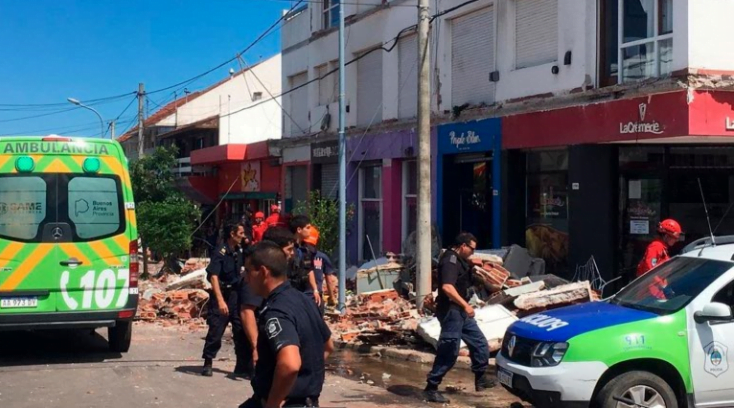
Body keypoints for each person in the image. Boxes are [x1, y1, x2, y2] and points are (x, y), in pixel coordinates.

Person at [240, 241, 334, 408]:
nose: (245, 279)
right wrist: (304, 378)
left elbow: (290, 364)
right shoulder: (303, 300)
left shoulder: (277, 311)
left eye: (248, 271)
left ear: (262, 272)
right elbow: (327, 345)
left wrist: (274, 402)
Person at [424, 232, 494, 403]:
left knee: (479, 343)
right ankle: (431, 387)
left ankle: (481, 378)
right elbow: (447, 287)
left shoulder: (460, 261)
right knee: (449, 349)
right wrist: (466, 305)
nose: (472, 252)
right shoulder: (450, 260)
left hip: (460, 312)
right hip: (451, 311)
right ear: (463, 246)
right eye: (471, 249)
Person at [201, 222, 253, 378]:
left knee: (240, 330)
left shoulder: (240, 250)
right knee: (216, 330)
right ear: (232, 234)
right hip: (222, 294)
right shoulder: (220, 252)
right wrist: (221, 301)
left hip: (236, 295)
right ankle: (208, 362)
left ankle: (242, 366)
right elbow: (214, 277)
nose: (243, 236)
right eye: (241, 233)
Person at [289, 215, 322, 307]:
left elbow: (309, 269)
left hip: (304, 288)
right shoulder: (288, 247)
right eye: (307, 228)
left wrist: (315, 290)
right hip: (291, 288)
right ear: (299, 230)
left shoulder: (306, 249)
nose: (310, 230)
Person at [304, 228, 334, 315]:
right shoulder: (322, 257)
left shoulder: (297, 255)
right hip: (316, 297)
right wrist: (331, 297)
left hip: (301, 296)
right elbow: (329, 280)